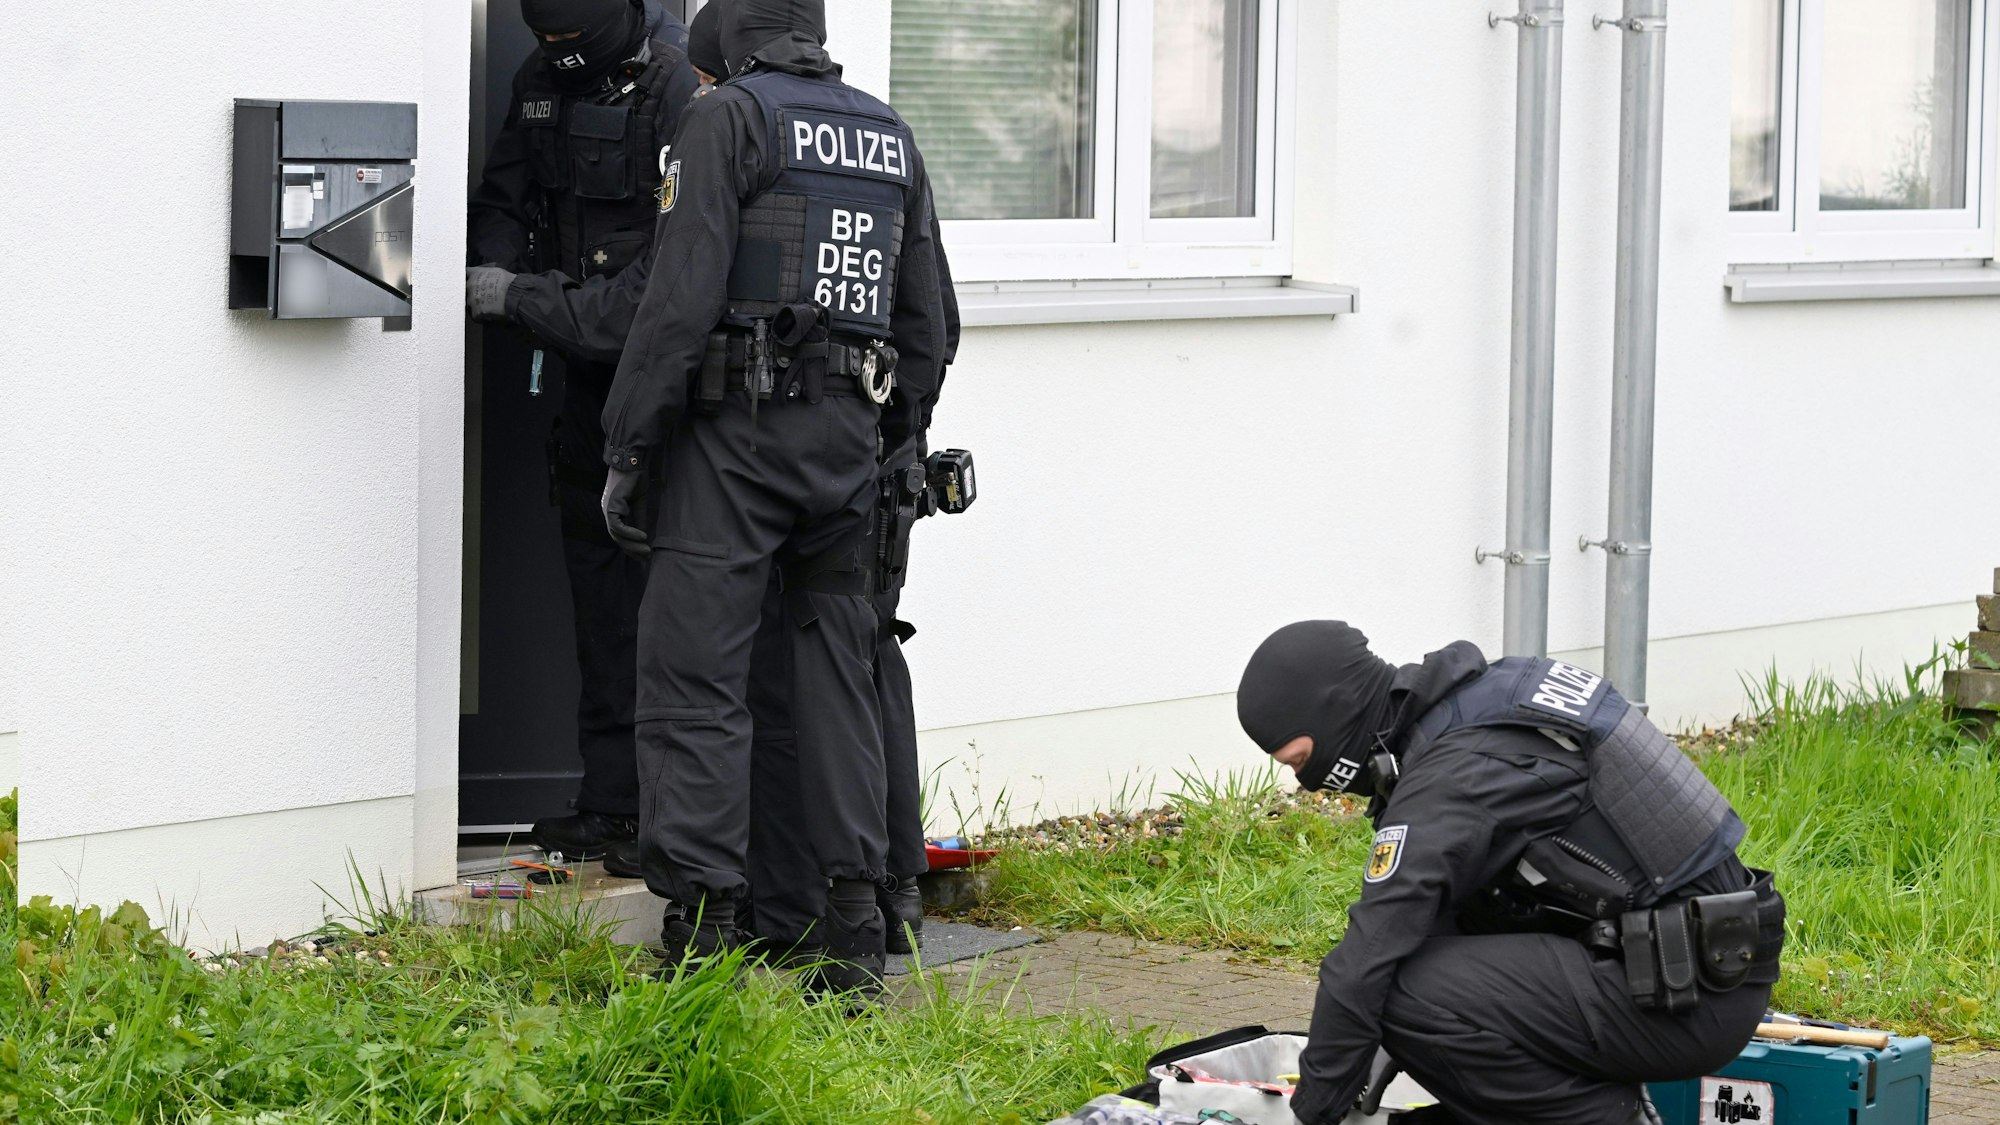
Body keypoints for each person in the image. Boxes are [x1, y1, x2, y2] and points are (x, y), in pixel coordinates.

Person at [598, 0, 952, 997]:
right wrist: (891, 442)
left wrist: (628, 444)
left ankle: (704, 931)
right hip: (846, 447)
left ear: (733, 40)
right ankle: (850, 932)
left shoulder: (728, 119)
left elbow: (679, 299)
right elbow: (929, 317)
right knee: (838, 681)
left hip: (733, 445)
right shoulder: (886, 131)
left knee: (694, 680)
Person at [1235, 622, 1785, 1125]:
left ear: (1336, 709)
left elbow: (1366, 958)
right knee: (1420, 958)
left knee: (1401, 989)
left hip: (1687, 999)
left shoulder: (1455, 774)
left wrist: (1312, 1111)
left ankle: (1607, 1118)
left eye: (1300, 761)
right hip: (1690, 966)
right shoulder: (1485, 702)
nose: (1309, 785)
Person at [465, 0, 698, 861]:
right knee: (599, 596)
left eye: (573, 40)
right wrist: (509, 276)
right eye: (545, 40)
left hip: (661, 387)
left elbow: (663, 283)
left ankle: (670, 820)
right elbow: (501, 197)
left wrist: (528, 301)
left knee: (665, 610)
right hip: (577, 376)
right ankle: (611, 805)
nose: (559, 54)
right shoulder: (542, 77)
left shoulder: (682, 90)